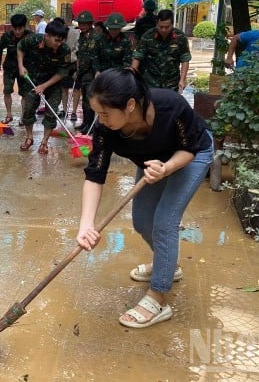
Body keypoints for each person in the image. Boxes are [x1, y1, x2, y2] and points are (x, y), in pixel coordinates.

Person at [76, 68, 213, 328]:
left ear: (129, 105)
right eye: (96, 113)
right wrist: (86, 225)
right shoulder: (106, 130)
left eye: (105, 113)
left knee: (164, 222)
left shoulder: (170, 106)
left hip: (191, 154)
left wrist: (167, 168)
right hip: (152, 162)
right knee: (141, 221)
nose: (100, 119)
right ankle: (168, 265)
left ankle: (158, 296)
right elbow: (95, 175)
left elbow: (189, 148)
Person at [17, 19, 71, 154]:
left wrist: (44, 86)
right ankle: (29, 138)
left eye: (61, 40)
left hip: (53, 83)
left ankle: (44, 142)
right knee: (28, 108)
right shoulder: (34, 40)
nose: (59, 44)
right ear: (46, 36)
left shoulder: (64, 50)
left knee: (51, 111)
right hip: (33, 80)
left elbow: (62, 72)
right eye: (56, 40)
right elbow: (20, 46)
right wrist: (21, 65)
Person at [130, 9, 191, 92]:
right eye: (161, 27)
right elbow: (138, 56)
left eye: (167, 27)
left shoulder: (180, 37)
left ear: (172, 24)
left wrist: (183, 79)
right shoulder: (148, 36)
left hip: (171, 83)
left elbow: (185, 59)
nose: (163, 30)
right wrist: (132, 75)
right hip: (151, 82)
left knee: (170, 104)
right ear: (156, 24)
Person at [0, 13, 33, 125]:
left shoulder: (30, 36)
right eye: (15, 29)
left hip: (25, 69)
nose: (17, 32)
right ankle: (9, 115)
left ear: (24, 26)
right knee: (7, 91)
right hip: (10, 67)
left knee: (25, 93)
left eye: (20, 29)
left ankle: (23, 117)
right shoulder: (7, 36)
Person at [74, 10, 97, 132]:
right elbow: (80, 54)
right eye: (80, 23)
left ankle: (91, 126)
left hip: (91, 73)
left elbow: (90, 58)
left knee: (90, 100)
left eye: (84, 23)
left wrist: (79, 72)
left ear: (90, 24)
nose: (81, 26)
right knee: (84, 100)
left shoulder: (95, 37)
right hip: (83, 73)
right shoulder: (82, 36)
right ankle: (85, 123)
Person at [55, 18, 80, 122]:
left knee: (76, 89)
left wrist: (70, 59)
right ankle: (64, 110)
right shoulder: (57, 34)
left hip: (74, 64)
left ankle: (73, 112)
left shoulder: (75, 33)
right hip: (63, 65)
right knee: (64, 88)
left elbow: (78, 50)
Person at [93, 13, 133, 78]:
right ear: (108, 28)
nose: (114, 31)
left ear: (120, 28)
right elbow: (95, 57)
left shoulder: (126, 41)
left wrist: (123, 73)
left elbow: (127, 60)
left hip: (119, 74)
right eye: (111, 28)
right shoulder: (100, 39)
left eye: (116, 29)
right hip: (103, 72)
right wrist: (97, 71)